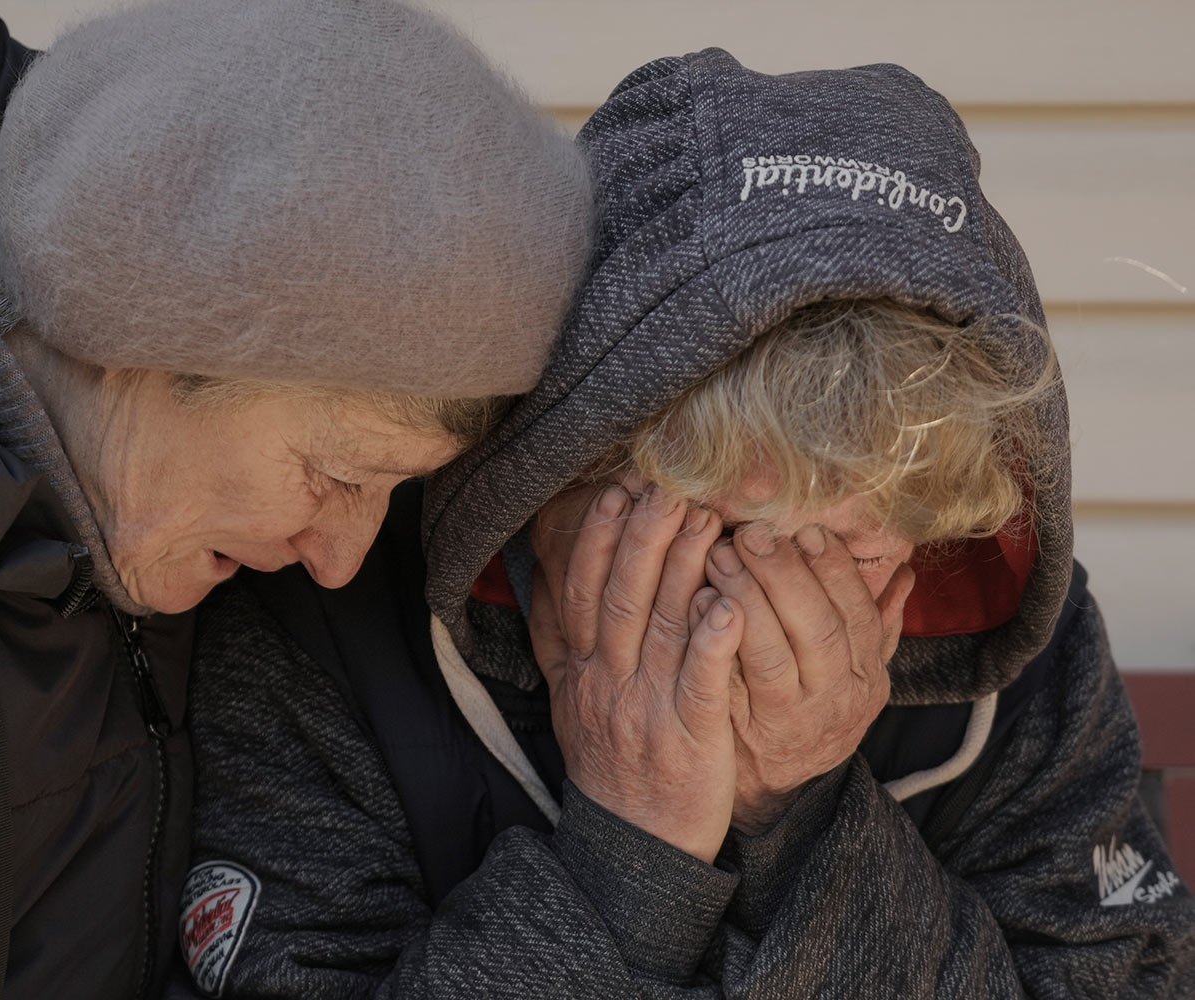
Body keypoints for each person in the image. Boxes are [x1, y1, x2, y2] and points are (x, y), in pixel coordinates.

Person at [179, 49, 1195, 996]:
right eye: (727, 532)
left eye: (853, 541)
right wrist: (630, 849)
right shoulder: (330, 617)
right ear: (556, 464)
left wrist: (801, 819)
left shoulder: (1012, 663)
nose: (774, 611)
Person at [0, 0, 593, 995]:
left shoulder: (144, 517)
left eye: (393, 492)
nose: (341, 557)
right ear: (140, 339)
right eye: (336, 475)